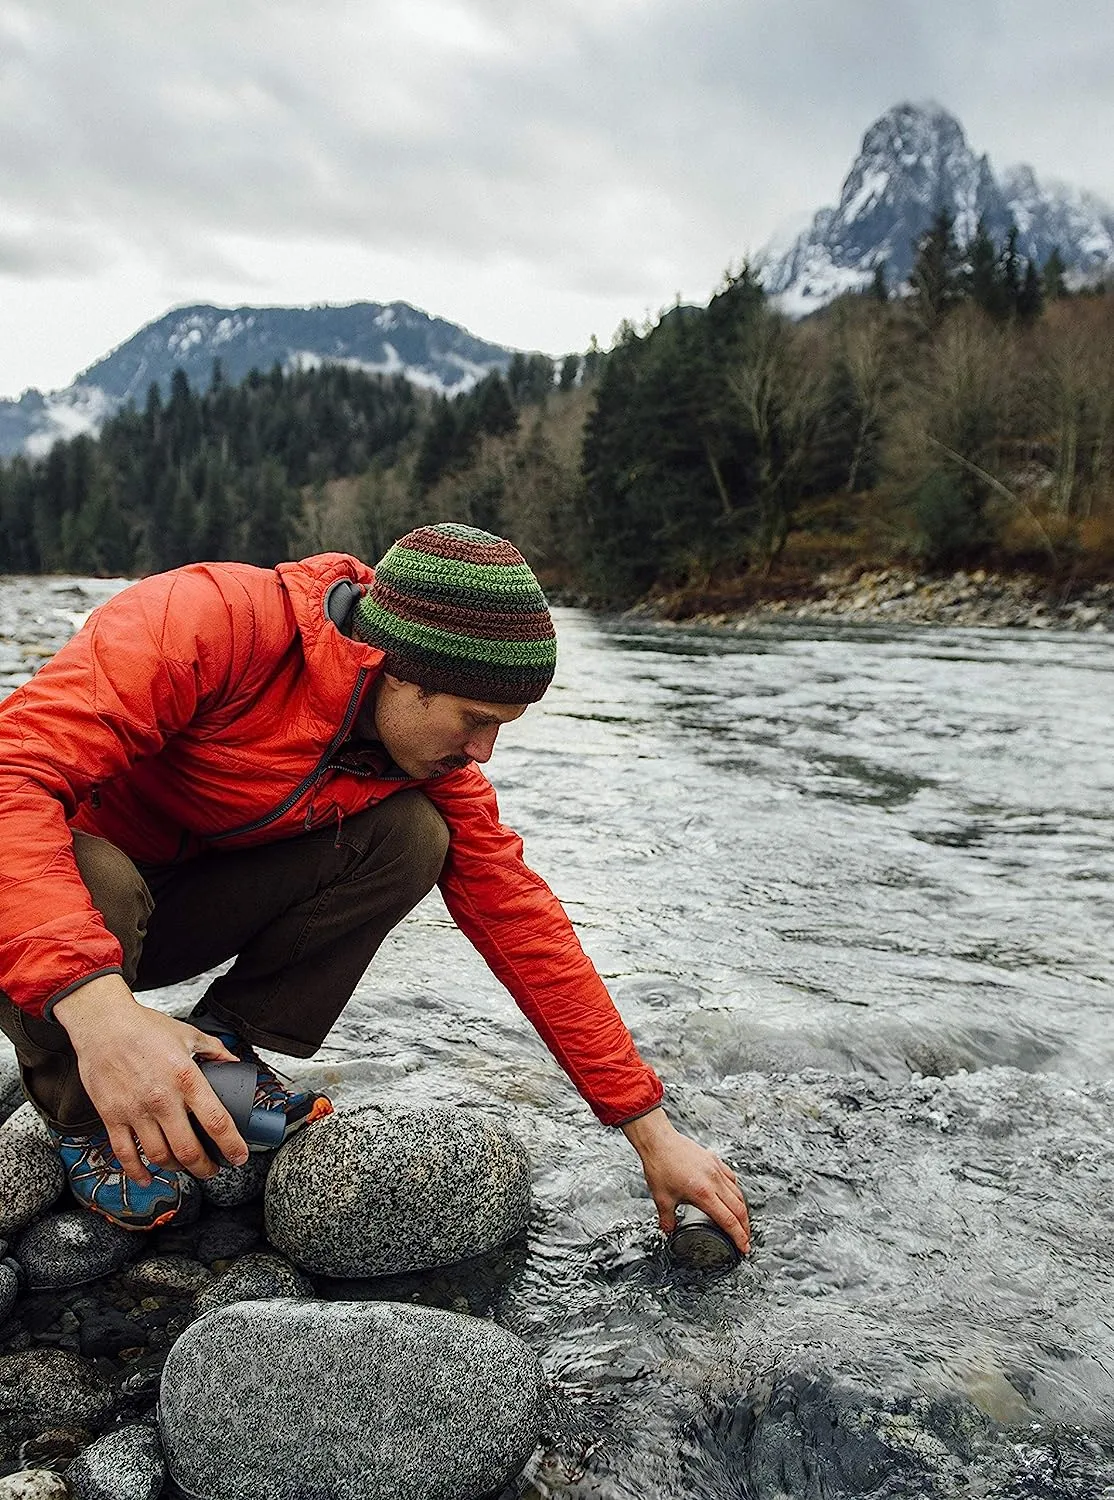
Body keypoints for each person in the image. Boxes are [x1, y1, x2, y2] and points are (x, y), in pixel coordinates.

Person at [0, 523, 750, 1250]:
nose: (483, 752)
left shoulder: (426, 756)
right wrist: (101, 1014)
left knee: (415, 836)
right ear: (401, 672)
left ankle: (225, 1053)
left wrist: (649, 1129)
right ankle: (75, 1115)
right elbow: (11, 776)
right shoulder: (210, 620)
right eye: (475, 720)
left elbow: (523, 923)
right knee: (99, 876)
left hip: (171, 905)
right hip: (55, 913)